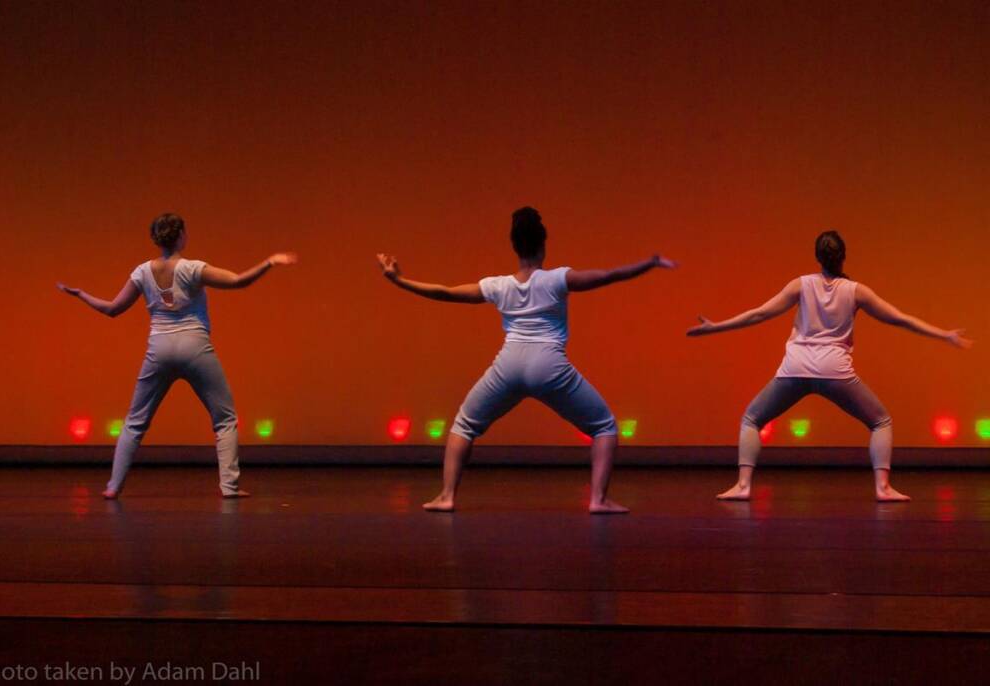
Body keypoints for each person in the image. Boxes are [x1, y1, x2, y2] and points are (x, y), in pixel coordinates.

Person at [377, 206, 676, 513]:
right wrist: (648, 263)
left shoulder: (499, 285)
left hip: (509, 364)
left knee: (464, 426)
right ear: (543, 246)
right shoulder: (556, 279)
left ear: (515, 248)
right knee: (604, 427)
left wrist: (399, 281)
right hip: (548, 364)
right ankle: (598, 500)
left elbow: (445, 292)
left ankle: (446, 496)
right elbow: (607, 276)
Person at [687, 230, 972, 502]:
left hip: (795, 369)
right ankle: (883, 488)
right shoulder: (856, 291)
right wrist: (943, 334)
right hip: (835, 372)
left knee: (752, 419)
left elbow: (759, 314)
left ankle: (743, 485)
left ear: (818, 258)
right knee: (880, 421)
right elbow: (900, 318)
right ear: (843, 257)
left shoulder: (801, 284)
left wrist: (715, 328)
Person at [57, 213, 297, 499]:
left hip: (159, 349)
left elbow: (112, 309)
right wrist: (269, 262)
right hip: (195, 347)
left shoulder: (142, 272)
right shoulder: (193, 269)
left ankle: (113, 487)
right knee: (224, 418)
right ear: (182, 235)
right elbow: (238, 281)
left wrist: (82, 294)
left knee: (135, 421)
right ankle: (229, 486)